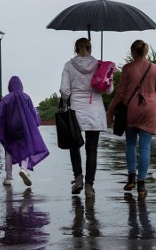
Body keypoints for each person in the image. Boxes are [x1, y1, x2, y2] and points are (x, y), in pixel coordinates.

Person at [106, 39, 156, 200]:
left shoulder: (127, 68)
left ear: (133, 51)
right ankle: (141, 184)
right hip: (150, 109)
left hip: (131, 108)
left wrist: (110, 111)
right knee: (145, 146)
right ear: (146, 52)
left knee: (131, 143)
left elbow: (120, 93)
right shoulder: (155, 68)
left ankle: (131, 178)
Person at [60, 37, 113, 197]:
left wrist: (68, 100)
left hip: (76, 109)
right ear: (90, 48)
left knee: (74, 146)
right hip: (95, 109)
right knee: (92, 150)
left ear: (75, 49)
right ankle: (89, 186)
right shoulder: (99, 65)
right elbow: (108, 90)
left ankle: (78, 179)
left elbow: (64, 90)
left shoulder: (69, 65)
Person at [0, 75, 50, 186]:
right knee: (26, 150)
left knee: (8, 152)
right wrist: (35, 124)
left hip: (9, 130)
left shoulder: (6, 99)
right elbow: (33, 113)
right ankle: (23, 169)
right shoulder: (26, 97)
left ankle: (8, 177)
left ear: (9, 86)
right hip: (24, 129)